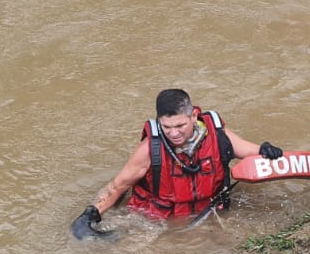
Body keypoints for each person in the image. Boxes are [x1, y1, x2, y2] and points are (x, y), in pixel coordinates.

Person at [71, 88, 283, 238]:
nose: (173, 133)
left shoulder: (217, 136)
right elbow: (118, 186)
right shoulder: (148, 150)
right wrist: (90, 214)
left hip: (209, 211)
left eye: (180, 125)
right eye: (166, 127)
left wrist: (266, 150)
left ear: (194, 116)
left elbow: (251, 152)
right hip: (155, 220)